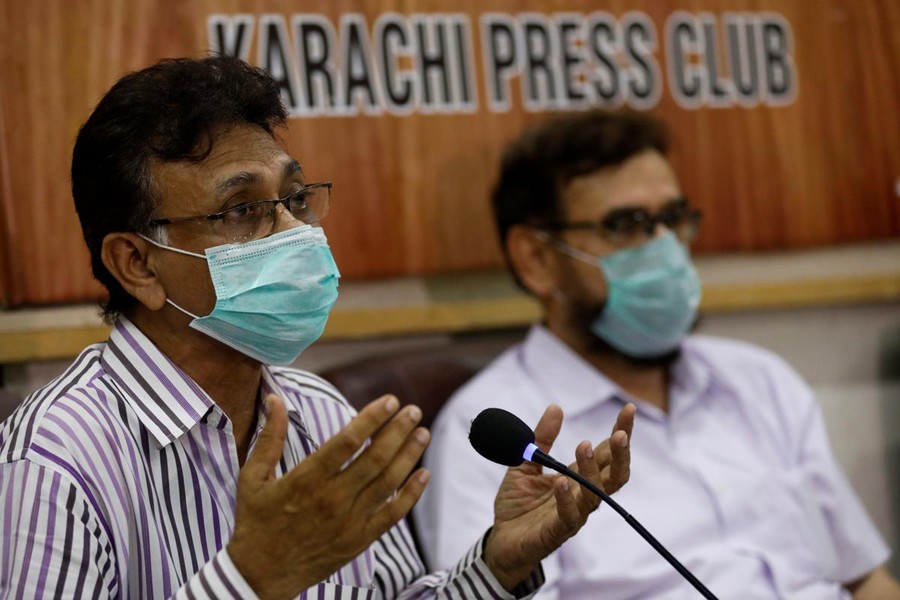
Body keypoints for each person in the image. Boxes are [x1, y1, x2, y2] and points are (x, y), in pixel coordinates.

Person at [0, 57, 634, 599]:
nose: (294, 232)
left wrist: (499, 563)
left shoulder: (321, 414)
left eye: (295, 198)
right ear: (136, 263)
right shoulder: (54, 464)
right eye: (244, 209)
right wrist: (251, 579)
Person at [415, 109, 900, 599]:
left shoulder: (760, 380)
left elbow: (866, 581)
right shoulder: (496, 436)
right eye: (627, 224)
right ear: (536, 258)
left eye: (672, 219)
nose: (664, 247)